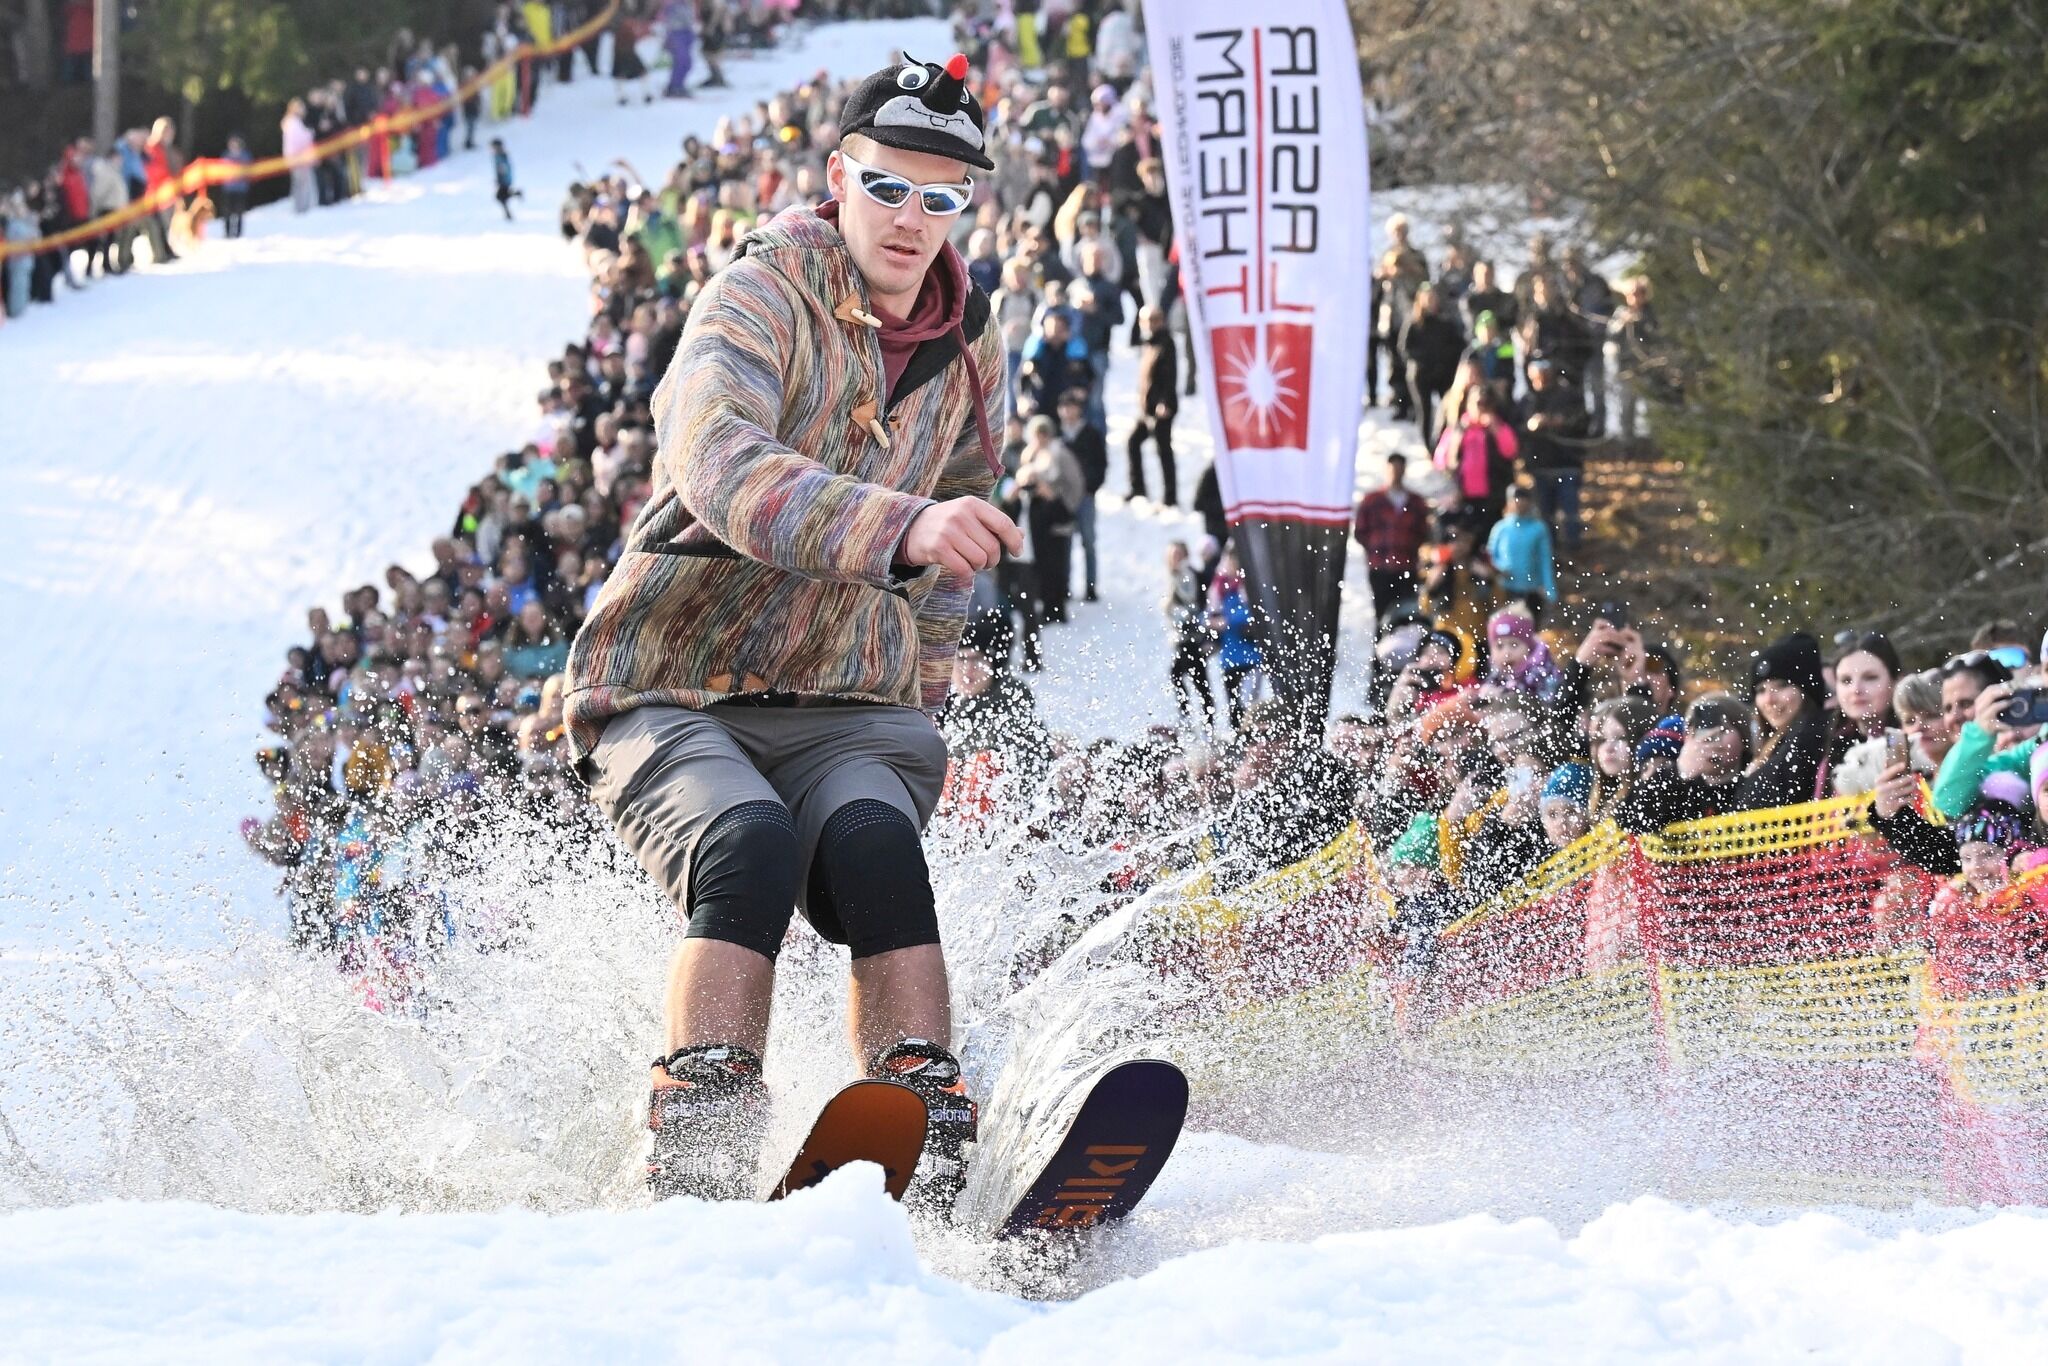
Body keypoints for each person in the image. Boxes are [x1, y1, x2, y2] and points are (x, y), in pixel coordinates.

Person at [563, 54, 1011, 1210]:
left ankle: (920, 1112)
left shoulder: (970, 340)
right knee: (750, 845)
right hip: (674, 677)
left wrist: (922, 690)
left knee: (874, 847)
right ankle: (703, 1124)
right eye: (887, 187)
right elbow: (718, 464)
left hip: (845, 695)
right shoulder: (758, 294)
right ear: (838, 178)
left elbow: (961, 517)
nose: (911, 219)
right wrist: (900, 524)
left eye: (941, 196)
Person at [1516, 357, 1590, 553]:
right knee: (1545, 516)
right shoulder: (1527, 401)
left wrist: (1559, 422)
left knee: (1570, 515)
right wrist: (1530, 426)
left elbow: (1583, 423)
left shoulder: (1569, 396)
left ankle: (1574, 551)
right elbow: (1517, 432)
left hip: (1567, 464)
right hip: (1540, 467)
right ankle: (1550, 554)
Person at [1017, 413, 1084, 623]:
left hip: (1057, 514)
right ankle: (1046, 605)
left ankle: (1056, 609)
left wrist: (1061, 502)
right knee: (1043, 564)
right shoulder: (1033, 454)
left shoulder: (1060, 454)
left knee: (1056, 565)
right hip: (1040, 517)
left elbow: (1075, 484)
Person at [1352, 453, 1431, 623]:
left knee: (1405, 612)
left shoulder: (1415, 502)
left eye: (1399, 469)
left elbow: (1423, 532)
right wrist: (1374, 549)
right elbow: (1360, 531)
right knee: (1382, 614)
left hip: (1406, 565)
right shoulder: (1372, 501)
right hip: (1380, 566)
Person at [1053, 388, 1106, 602]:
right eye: (1064, 407)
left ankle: (1090, 586)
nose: (1067, 411)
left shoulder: (1091, 434)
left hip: (1085, 497)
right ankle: (1064, 585)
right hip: (1063, 498)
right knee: (1063, 543)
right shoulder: (1056, 434)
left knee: (1088, 542)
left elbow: (1101, 464)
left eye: (1071, 406)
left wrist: (1089, 487)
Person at [1400, 284, 1466, 453]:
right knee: (1425, 410)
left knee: (1448, 408)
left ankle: (1443, 444)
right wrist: (1424, 359)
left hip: (1443, 373)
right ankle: (1426, 447)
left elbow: (1457, 345)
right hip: (1421, 374)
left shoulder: (1446, 321)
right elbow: (1405, 348)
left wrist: (1446, 360)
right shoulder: (1414, 322)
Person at [1126, 304, 1178, 503]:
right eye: (1146, 321)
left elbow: (1170, 376)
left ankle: (1170, 496)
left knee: (1163, 450)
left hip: (1161, 408)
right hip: (1147, 408)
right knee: (1133, 442)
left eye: (1154, 320)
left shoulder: (1166, 344)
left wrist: (1164, 402)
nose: (1150, 325)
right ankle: (1138, 487)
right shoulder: (1148, 343)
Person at [1163, 541, 1216, 728]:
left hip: (1193, 637)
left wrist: (1178, 613)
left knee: (1192, 678)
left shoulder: (1188, 575)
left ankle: (1199, 720)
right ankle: (1194, 718)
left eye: (1178, 555)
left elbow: (1193, 603)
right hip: (1183, 637)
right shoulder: (1176, 576)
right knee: (1184, 676)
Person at [1485, 486, 1556, 614]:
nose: (1519, 503)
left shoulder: (1538, 528)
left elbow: (1545, 559)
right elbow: (1490, 556)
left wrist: (1550, 589)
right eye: (1515, 499)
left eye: (1523, 499)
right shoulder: (1500, 528)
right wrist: (1500, 567)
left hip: (1532, 589)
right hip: (1505, 589)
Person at [283, 100, 317, 213]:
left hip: (297, 158)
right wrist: (309, 133)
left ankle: (301, 207)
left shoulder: (293, 122)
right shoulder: (293, 122)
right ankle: (301, 208)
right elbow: (298, 140)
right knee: (301, 183)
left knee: (300, 183)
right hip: (299, 158)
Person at [492, 140, 524, 220]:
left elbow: (503, 168)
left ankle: (508, 214)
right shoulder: (499, 155)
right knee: (502, 197)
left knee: (500, 197)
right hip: (504, 179)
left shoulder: (501, 156)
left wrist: (500, 179)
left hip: (504, 180)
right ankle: (508, 214)